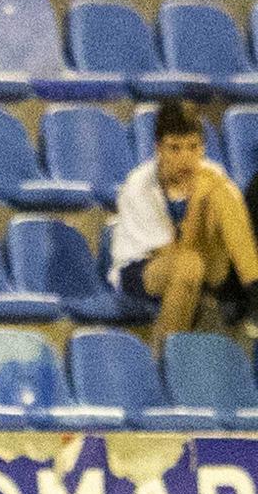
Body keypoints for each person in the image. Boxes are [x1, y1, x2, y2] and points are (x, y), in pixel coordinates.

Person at [109, 100, 258, 348]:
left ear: (202, 148)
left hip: (203, 259)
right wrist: (198, 202)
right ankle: (164, 360)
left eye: (193, 147)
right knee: (188, 267)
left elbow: (231, 236)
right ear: (159, 148)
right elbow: (172, 253)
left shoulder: (212, 174)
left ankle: (254, 293)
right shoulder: (140, 185)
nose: (185, 158)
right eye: (175, 148)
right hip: (142, 267)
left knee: (222, 192)